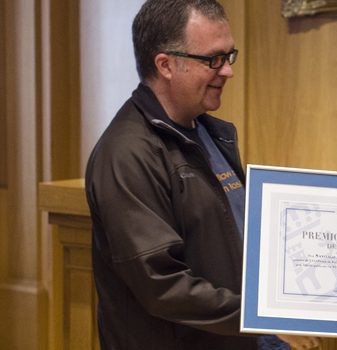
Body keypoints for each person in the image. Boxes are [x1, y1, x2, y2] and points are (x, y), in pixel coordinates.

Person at [85, 1, 319, 349]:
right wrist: (259, 318)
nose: (227, 71)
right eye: (213, 60)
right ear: (165, 64)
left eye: (229, 56)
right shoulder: (126, 154)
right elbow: (161, 285)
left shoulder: (206, 132)